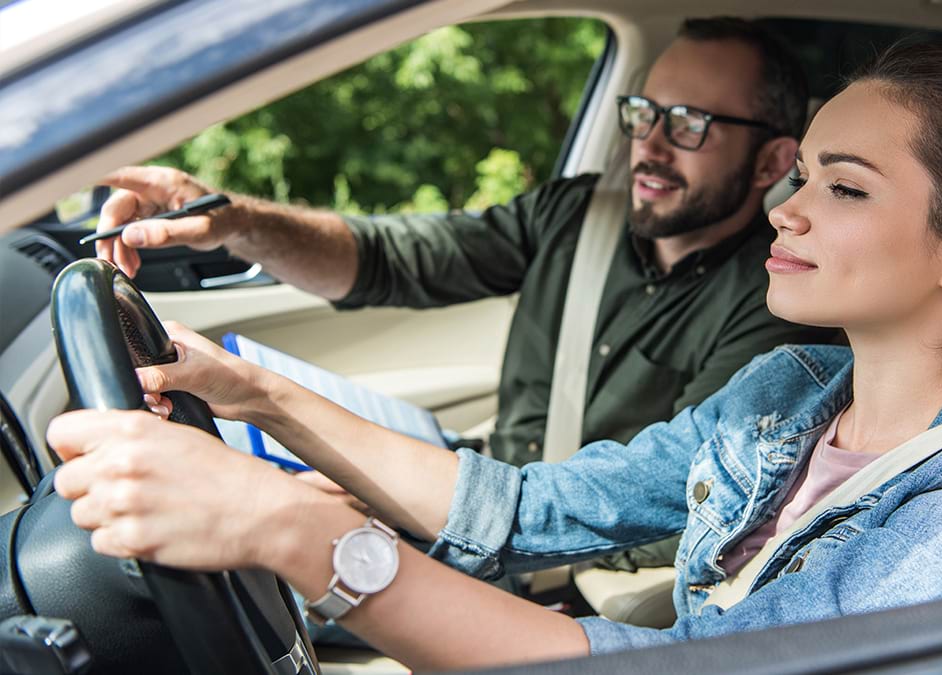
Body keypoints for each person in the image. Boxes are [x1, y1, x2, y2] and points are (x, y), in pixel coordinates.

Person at [48, 41, 942, 670]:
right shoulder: (787, 397)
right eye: (806, 179)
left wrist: (301, 535)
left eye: (843, 187)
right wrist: (256, 395)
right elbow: (523, 508)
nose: (787, 212)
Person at [93, 18, 838, 573]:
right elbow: (391, 260)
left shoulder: (779, 307)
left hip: (558, 565)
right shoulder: (578, 213)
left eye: (690, 125)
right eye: (644, 114)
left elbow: (676, 509)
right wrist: (232, 220)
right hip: (480, 495)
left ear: (774, 157)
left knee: (181, 566)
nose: (649, 145)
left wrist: (405, 517)